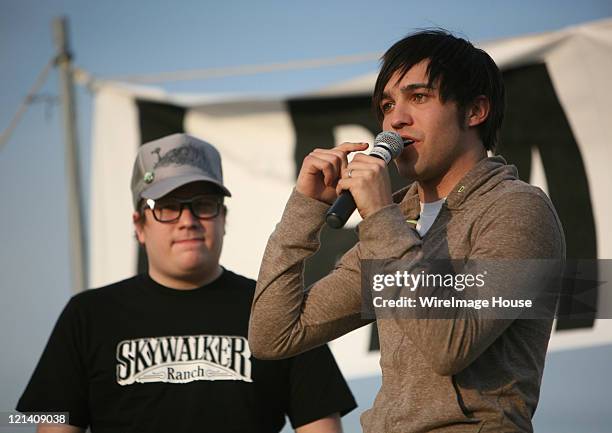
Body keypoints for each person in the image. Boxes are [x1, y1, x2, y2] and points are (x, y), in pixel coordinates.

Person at [249, 30, 565, 432]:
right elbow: (274, 336)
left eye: (418, 97)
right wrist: (304, 209)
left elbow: (450, 345)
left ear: (475, 111)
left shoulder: (517, 209)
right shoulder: (399, 220)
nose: (395, 119)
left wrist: (381, 214)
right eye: (387, 104)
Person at [17, 133, 356, 433]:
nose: (188, 221)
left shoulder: (275, 306)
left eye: (203, 205)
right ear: (139, 224)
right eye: (167, 207)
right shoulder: (87, 314)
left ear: (224, 219)